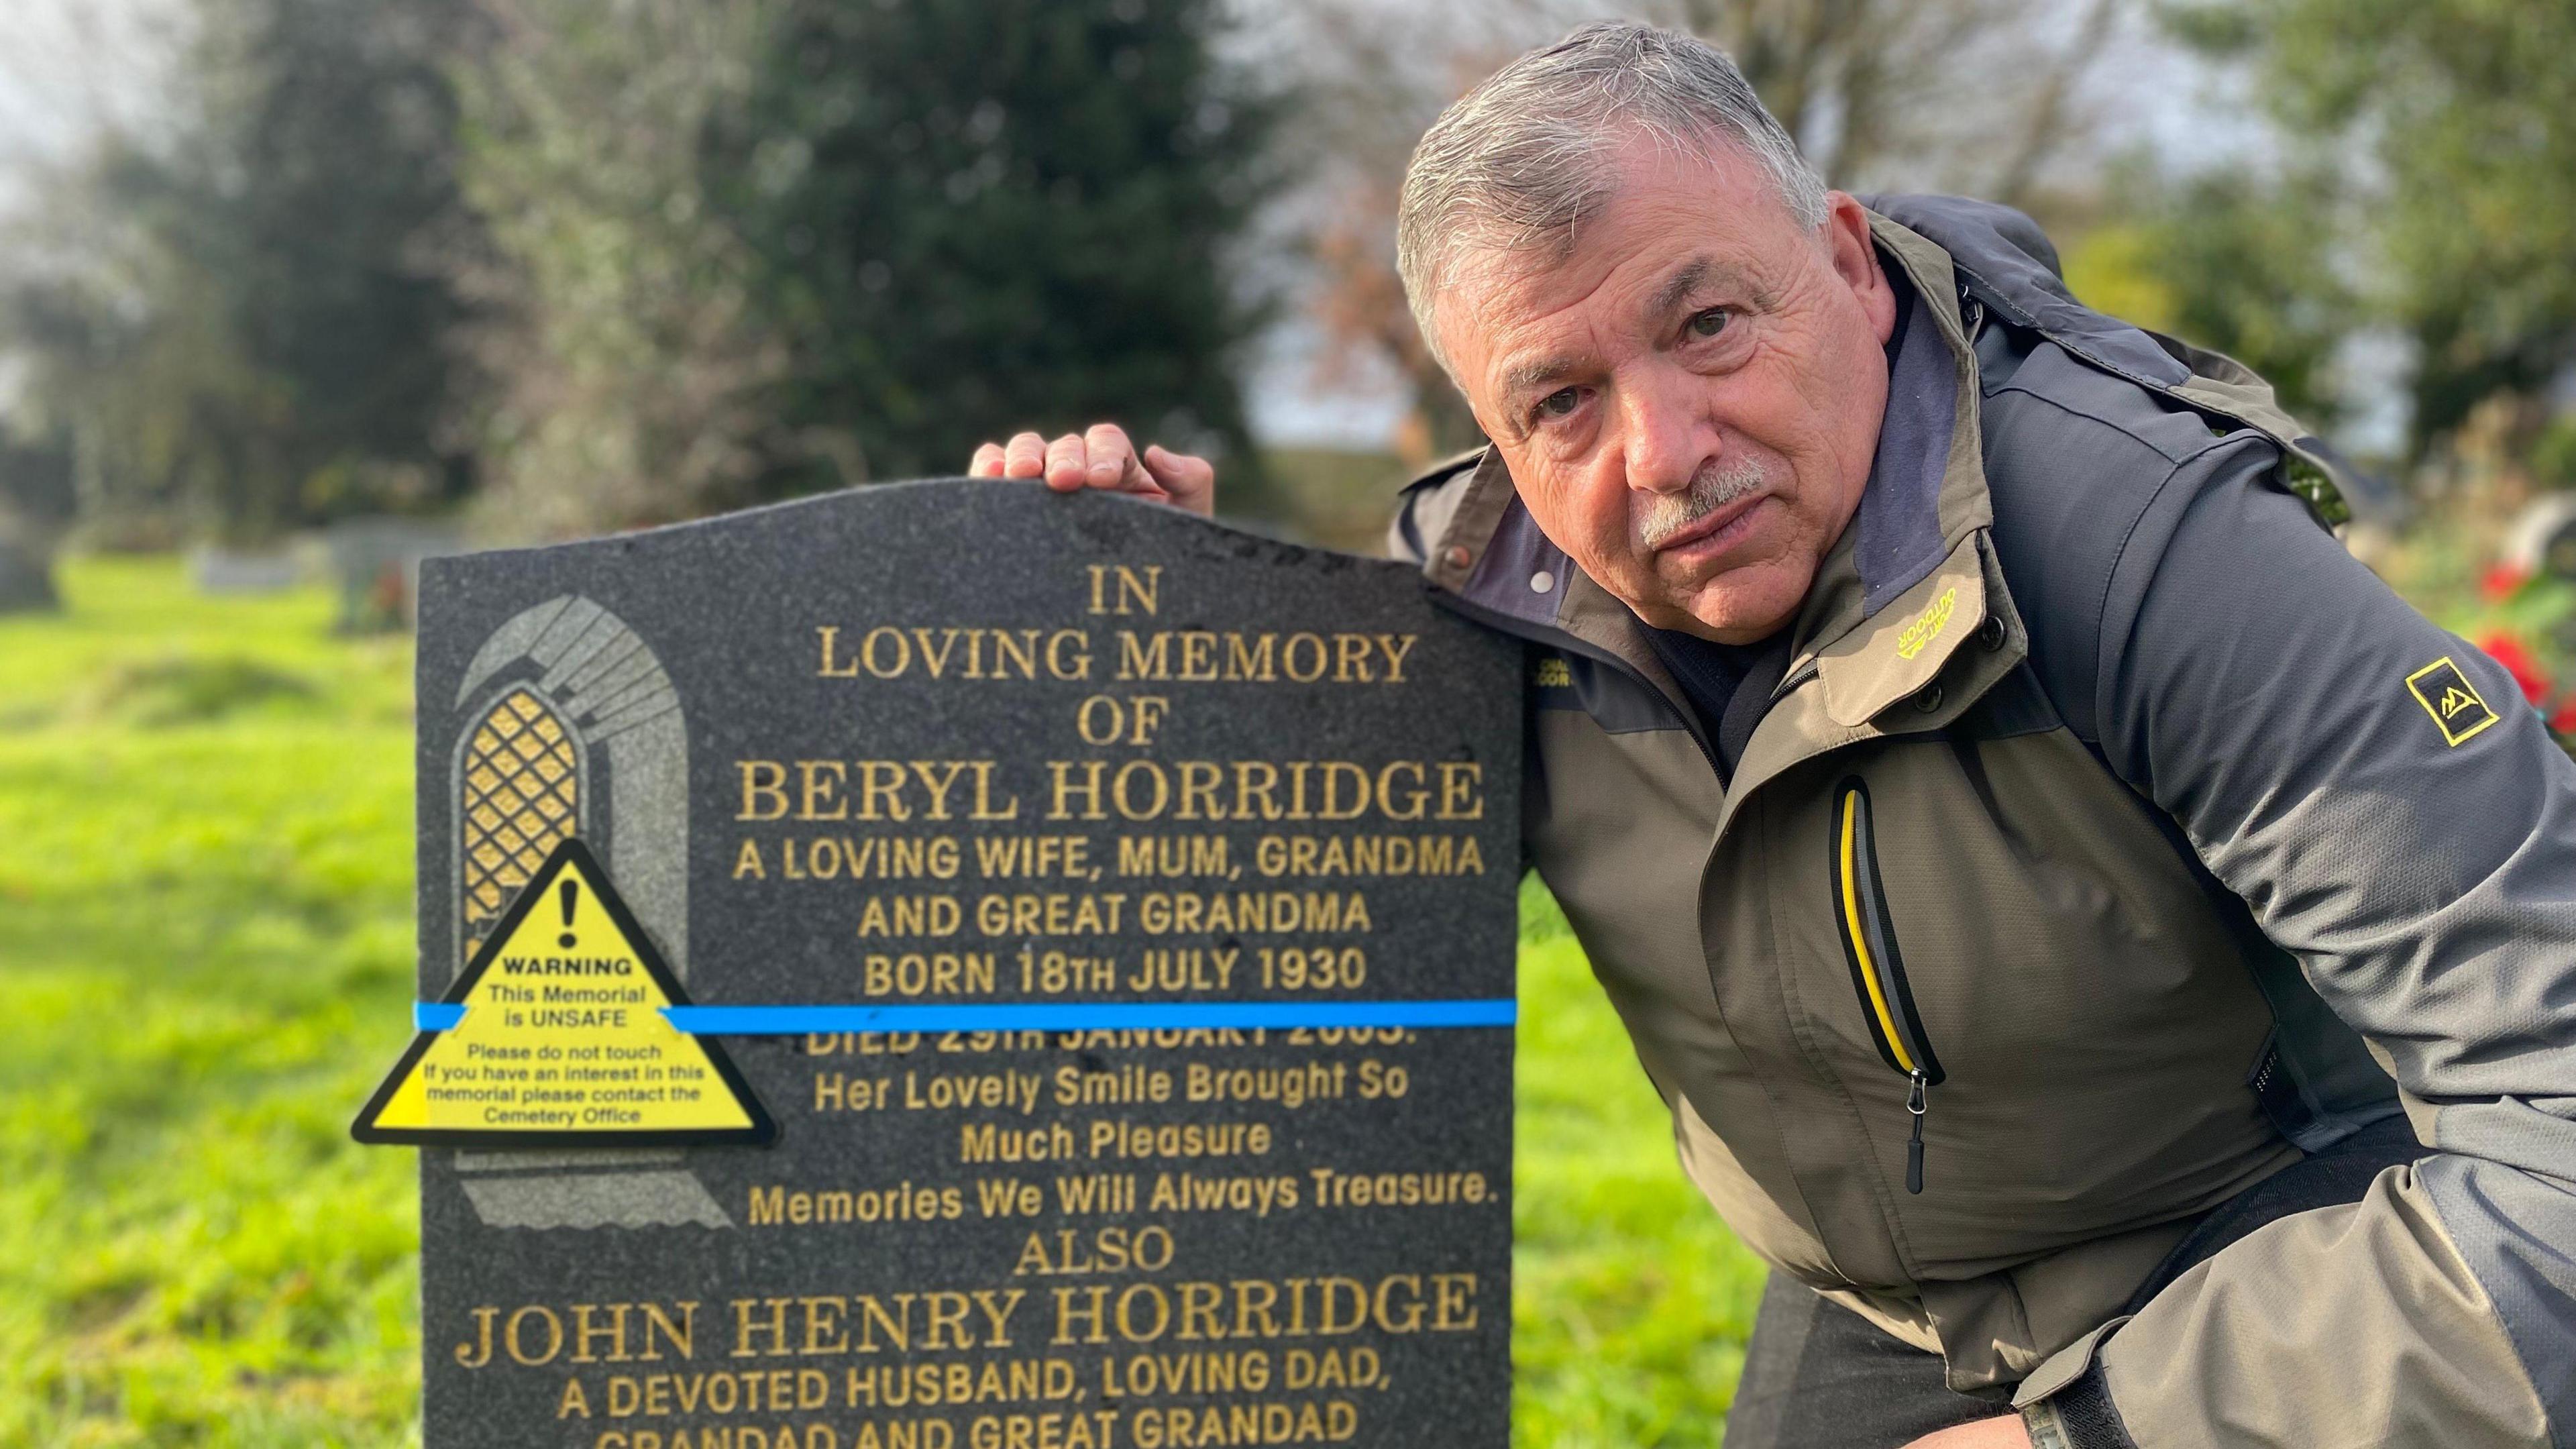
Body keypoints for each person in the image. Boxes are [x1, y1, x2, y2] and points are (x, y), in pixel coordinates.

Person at [969, 22, 2576, 1449]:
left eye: (1712, 323)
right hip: (1885, 1304)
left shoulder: (2153, 549)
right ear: (1492, 443)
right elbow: (1249, 952)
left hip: (2264, 1249)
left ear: (1854, 269)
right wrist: (1161, 650)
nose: (1667, 451)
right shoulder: (1486, 606)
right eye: (1560, 404)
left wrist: (2097, 1434)